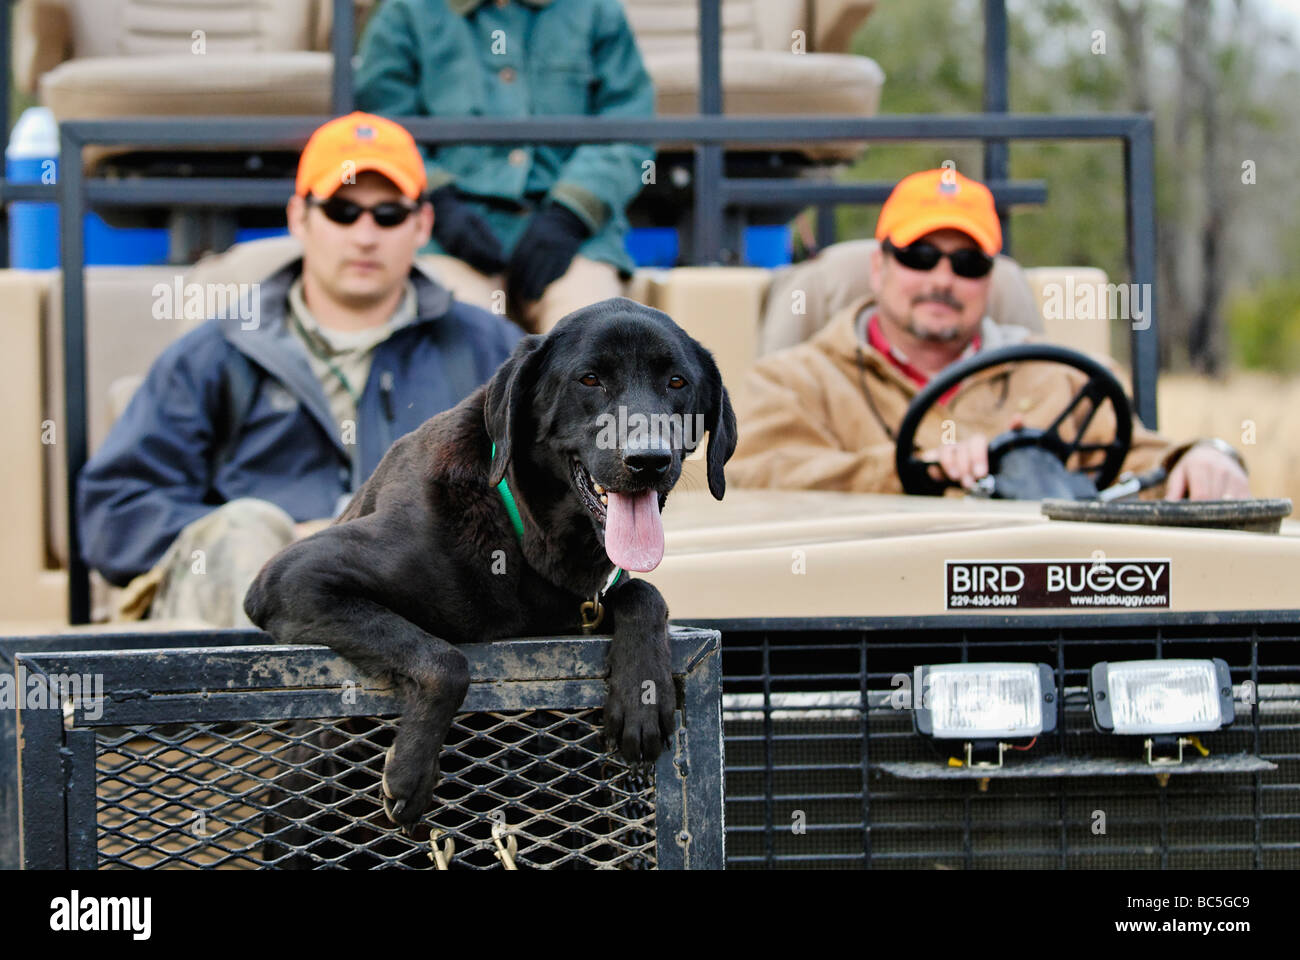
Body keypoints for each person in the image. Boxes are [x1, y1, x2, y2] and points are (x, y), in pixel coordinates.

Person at [78, 112, 523, 627]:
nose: (364, 235)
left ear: (422, 224)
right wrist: (284, 539)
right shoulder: (218, 352)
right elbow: (115, 511)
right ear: (298, 217)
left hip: (420, 604)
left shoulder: (487, 347)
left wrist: (395, 540)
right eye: (340, 210)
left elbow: (549, 489)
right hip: (251, 616)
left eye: (388, 214)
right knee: (248, 530)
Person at [729, 168, 1251, 500]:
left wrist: (1202, 458)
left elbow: (1143, 463)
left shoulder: (1063, 379)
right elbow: (756, 477)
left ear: (991, 277)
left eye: (967, 263)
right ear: (878, 266)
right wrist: (912, 471)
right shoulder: (791, 383)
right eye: (920, 256)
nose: (942, 279)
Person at [354, 0, 654, 334]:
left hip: (573, 238)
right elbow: (381, 130)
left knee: (592, 344)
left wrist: (572, 212)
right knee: (463, 341)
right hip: (449, 237)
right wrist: (439, 203)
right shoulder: (406, 11)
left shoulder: (595, 9)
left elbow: (629, 130)